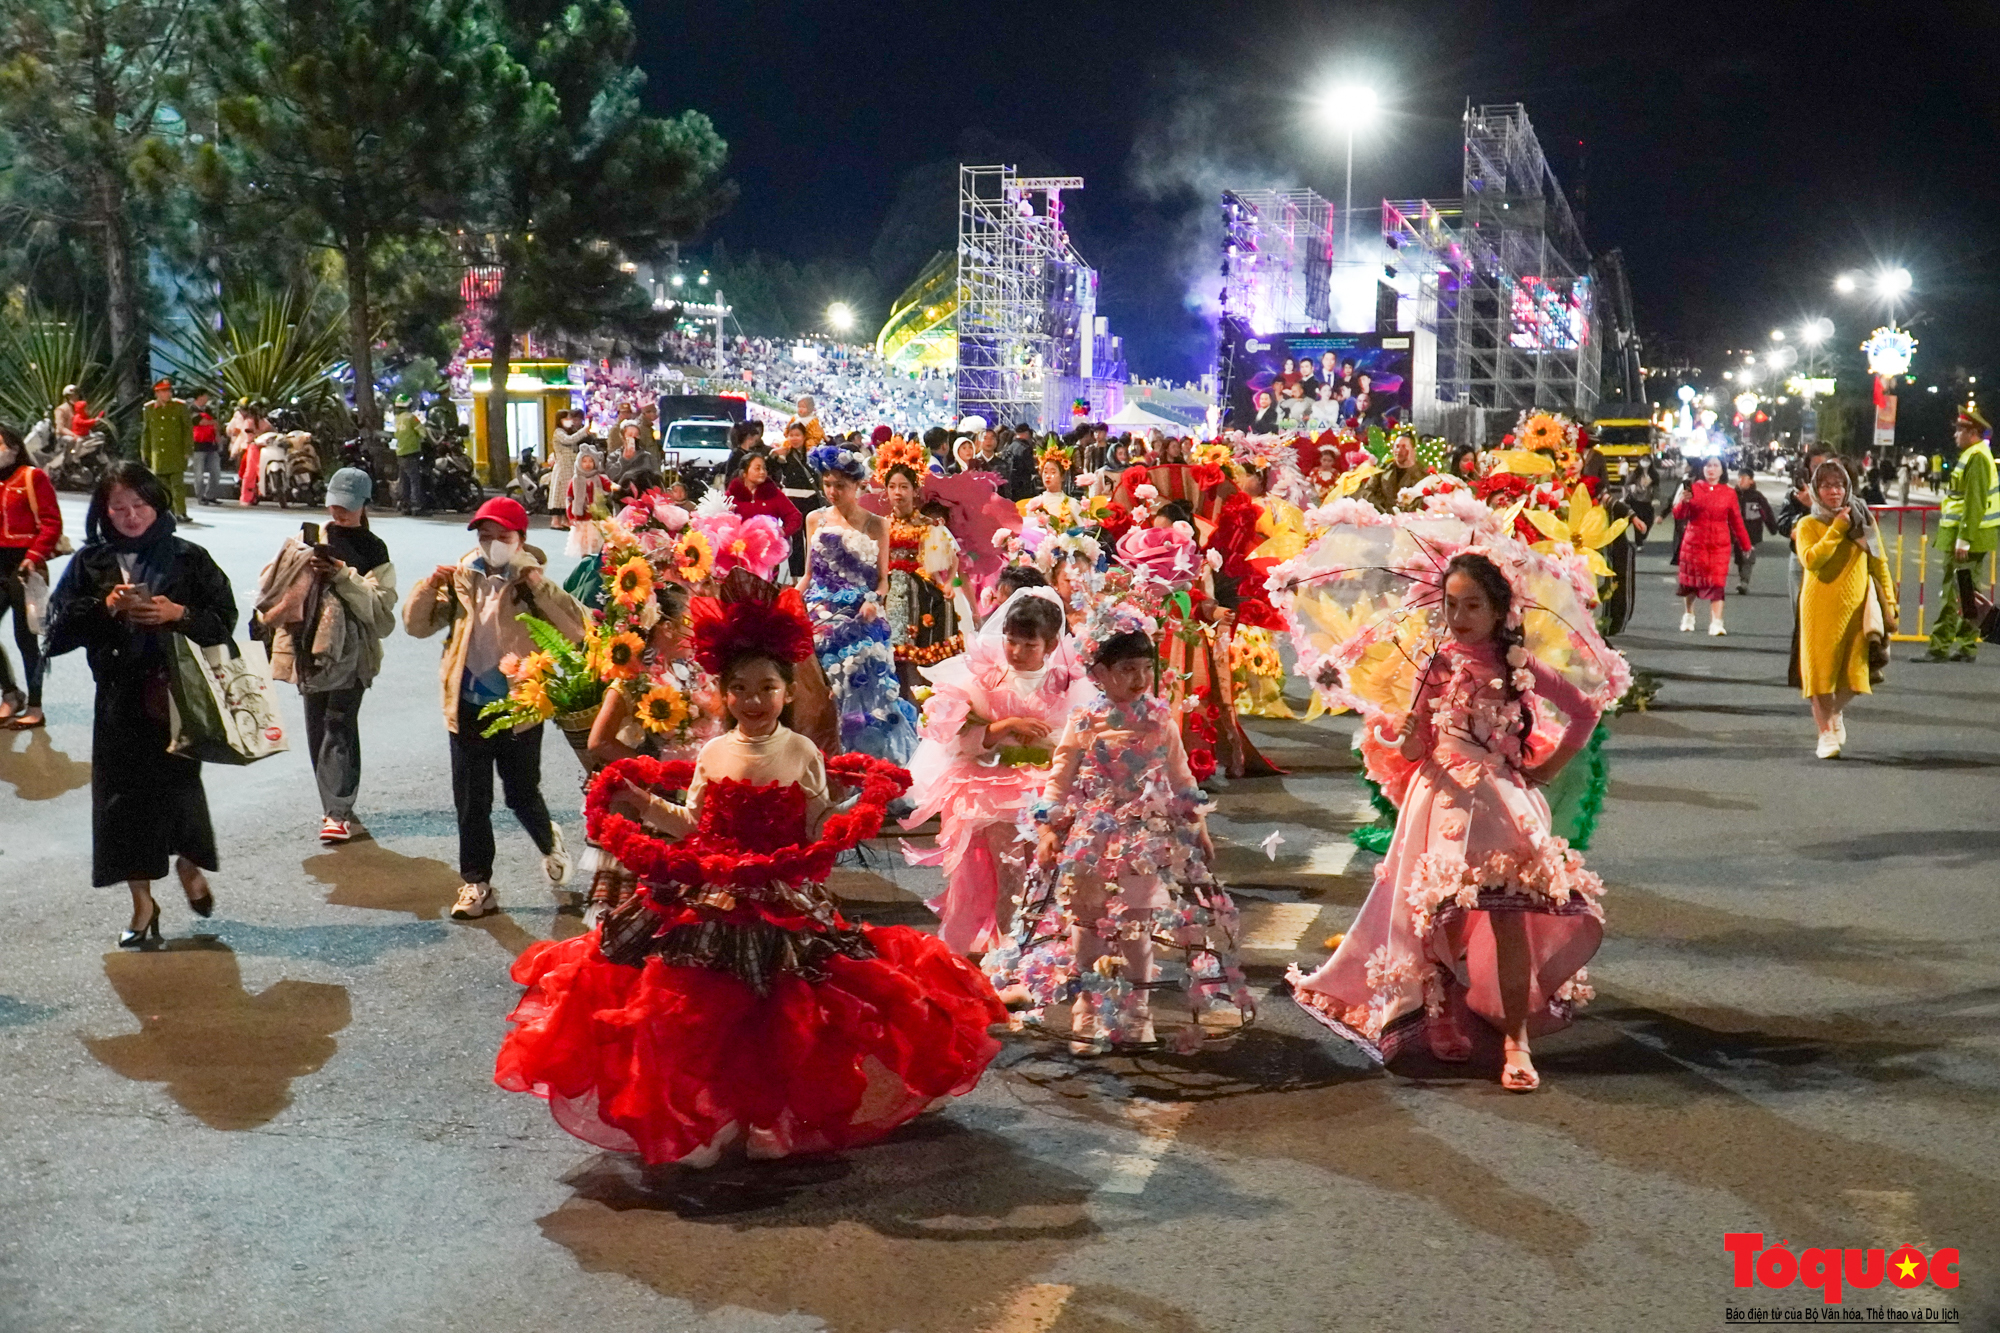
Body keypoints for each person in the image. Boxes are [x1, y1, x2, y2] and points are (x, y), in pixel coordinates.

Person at [493, 583, 1006, 1166]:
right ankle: (715, 1115)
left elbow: (816, 825)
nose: (753, 700)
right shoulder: (713, 753)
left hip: (782, 894)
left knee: (782, 1011)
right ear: (725, 693)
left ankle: (769, 1116)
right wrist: (639, 802)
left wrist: (850, 815)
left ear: (788, 692)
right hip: (709, 892)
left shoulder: (802, 752)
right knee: (698, 1009)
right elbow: (690, 821)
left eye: (766, 688)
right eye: (740, 689)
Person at [1288, 552, 1608, 1090]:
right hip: (1439, 800)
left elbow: (1586, 710)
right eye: (1451, 604)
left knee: (1509, 918)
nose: (1459, 617)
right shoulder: (1434, 664)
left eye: (1473, 605)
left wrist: (1546, 769)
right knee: (1440, 917)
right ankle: (1439, 1017)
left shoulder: (1522, 666)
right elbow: (1416, 750)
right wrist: (1412, 730)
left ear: (1500, 608)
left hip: (1502, 804)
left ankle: (1515, 1040)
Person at [991, 603, 1250, 1053]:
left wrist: (1196, 823)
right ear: (1099, 673)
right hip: (1092, 836)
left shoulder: (1160, 720)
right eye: (1128, 669)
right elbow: (1060, 778)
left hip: (1146, 837)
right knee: (1086, 924)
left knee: (1138, 925)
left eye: (1146, 669)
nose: (1140, 679)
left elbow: (1181, 775)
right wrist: (1049, 829)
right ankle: (1086, 1011)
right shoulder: (1085, 722)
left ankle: (1137, 1013)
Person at [43, 462, 237, 946]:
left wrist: (179, 613)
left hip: (176, 696)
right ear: (104, 512)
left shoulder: (188, 558)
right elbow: (56, 632)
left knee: (180, 794)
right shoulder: (91, 563)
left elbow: (224, 620)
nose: (131, 516)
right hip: (118, 699)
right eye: (119, 508)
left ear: (157, 504)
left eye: (140, 505)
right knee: (122, 805)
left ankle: (190, 865)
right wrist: (105, 607)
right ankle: (142, 905)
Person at [402, 496, 586, 921]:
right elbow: (416, 626)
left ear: (521, 539)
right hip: (467, 706)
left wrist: (540, 587)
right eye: (486, 537)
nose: (492, 545)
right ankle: (477, 883)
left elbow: (577, 631)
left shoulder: (533, 584)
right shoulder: (462, 579)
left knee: (521, 794)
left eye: (502, 537)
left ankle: (548, 839)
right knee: (471, 801)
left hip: (520, 707)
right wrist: (429, 586)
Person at [901, 587, 1079, 955]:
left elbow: (1079, 737)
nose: (1016, 652)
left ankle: (1046, 949)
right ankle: (1010, 952)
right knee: (1009, 870)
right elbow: (959, 738)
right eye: (1012, 642)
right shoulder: (987, 679)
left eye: (1029, 646)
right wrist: (1005, 726)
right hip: (996, 785)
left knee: (1047, 870)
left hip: (1051, 786)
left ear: (1050, 646)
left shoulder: (1066, 683)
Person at [254, 467, 397, 843]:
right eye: (334, 505)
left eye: (347, 507)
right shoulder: (308, 537)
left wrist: (341, 575)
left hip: (354, 654)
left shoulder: (374, 550)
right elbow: (274, 584)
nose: (339, 514)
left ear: (365, 504)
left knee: (339, 725)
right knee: (318, 727)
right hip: (308, 648)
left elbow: (381, 616)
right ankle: (335, 807)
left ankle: (337, 811)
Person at [801, 444, 919, 762]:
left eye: (840, 485)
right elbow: (807, 575)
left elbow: (882, 580)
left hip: (861, 605)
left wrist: (871, 601)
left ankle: (870, 756)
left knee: (865, 658)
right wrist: (791, 599)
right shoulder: (814, 519)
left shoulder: (877, 523)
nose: (833, 491)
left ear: (857, 485)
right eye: (827, 484)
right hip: (818, 605)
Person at [1794, 461, 1896, 759]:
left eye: (1839, 485)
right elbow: (1812, 560)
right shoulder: (1807, 525)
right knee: (1820, 672)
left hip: (1856, 607)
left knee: (1856, 672)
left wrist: (1890, 601)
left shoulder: (1863, 520)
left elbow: (1879, 562)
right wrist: (1837, 529)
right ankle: (1825, 734)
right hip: (1819, 607)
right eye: (1826, 486)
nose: (1834, 491)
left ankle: (1835, 712)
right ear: (1816, 490)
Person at [0, 424, 62, 729]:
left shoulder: (31, 477)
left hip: (23, 567)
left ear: (13, 447)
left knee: (25, 640)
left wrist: (33, 556)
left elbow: (51, 523)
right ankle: (11, 694)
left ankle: (35, 707)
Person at [1927, 405, 1997, 662]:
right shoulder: (1975, 454)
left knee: (1953, 591)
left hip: (1968, 536)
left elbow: (1974, 501)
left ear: (1973, 432)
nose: (1955, 434)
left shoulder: (1976, 457)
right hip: (1970, 535)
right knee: (1966, 591)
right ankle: (1966, 645)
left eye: (1960, 429)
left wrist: (1964, 538)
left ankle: (1940, 646)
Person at [1672, 456, 1751, 634]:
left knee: (1717, 583)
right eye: (1708, 465)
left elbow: (1736, 521)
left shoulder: (1729, 493)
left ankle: (1716, 622)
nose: (1712, 469)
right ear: (1703, 469)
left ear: (1722, 470)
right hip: (1694, 543)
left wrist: (1746, 545)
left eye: (1716, 465)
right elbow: (1678, 515)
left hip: (1719, 545)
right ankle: (1689, 615)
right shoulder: (1692, 488)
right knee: (1691, 583)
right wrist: (1683, 502)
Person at [768, 422, 821, 578]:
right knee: (795, 540)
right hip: (792, 501)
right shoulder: (784, 455)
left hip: (811, 499)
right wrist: (773, 455)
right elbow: (771, 470)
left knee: (814, 539)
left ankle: (815, 573)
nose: (794, 438)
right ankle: (796, 576)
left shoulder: (813, 454)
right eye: (791, 435)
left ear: (804, 437)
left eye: (797, 435)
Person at [140, 378, 193, 521]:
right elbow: (146, 432)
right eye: (163, 391)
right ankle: (168, 513)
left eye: (169, 390)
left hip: (176, 452)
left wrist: (188, 450)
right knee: (162, 487)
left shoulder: (179, 407)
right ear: (156, 393)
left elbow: (187, 430)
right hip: (159, 454)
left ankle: (181, 512)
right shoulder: (149, 408)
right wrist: (144, 452)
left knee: (178, 485)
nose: (167, 393)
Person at [1732, 467, 1780, 594]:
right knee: (1739, 557)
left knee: (1748, 557)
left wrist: (1773, 528)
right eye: (1739, 478)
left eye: (1744, 478)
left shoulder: (1757, 497)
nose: (1740, 481)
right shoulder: (1732, 495)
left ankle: (1744, 582)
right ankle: (1742, 577)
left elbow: (1767, 513)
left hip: (1751, 533)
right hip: (1736, 534)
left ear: (1751, 481)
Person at [564, 448, 613, 558]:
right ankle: (584, 560)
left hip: (597, 517)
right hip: (582, 518)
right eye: (584, 461)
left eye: (591, 461)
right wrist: (571, 516)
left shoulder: (599, 478)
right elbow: (570, 498)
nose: (588, 464)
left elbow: (609, 486)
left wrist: (615, 487)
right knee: (584, 543)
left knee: (599, 541)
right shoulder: (575, 480)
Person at [549, 409, 591, 530]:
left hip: (569, 466)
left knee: (566, 493)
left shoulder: (565, 432)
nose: (570, 421)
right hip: (563, 467)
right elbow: (570, 440)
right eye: (567, 419)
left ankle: (564, 520)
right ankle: (555, 521)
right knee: (560, 493)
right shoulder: (559, 432)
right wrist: (584, 430)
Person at [393, 396, 428, 516]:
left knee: (404, 480)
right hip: (411, 452)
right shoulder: (412, 418)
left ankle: (405, 506)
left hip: (400, 452)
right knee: (415, 480)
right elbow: (422, 432)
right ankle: (417, 506)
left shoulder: (397, 419)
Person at [187, 389, 222, 506]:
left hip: (211, 445)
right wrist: (212, 422)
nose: (207, 398)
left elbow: (214, 424)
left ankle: (210, 495)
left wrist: (218, 440)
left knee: (216, 472)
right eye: (206, 396)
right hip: (197, 446)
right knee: (199, 473)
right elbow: (200, 422)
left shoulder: (208, 409)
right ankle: (200, 496)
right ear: (200, 397)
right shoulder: (191, 409)